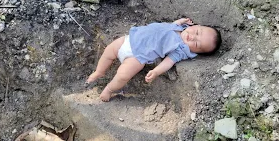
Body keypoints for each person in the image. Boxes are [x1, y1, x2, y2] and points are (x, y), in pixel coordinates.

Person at [86, 18, 222, 101]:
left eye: (197, 44)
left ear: (194, 51)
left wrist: (156, 71)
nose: (192, 37)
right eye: (197, 32)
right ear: (194, 26)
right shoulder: (179, 27)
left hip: (137, 57)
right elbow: (167, 28)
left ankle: (109, 90)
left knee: (122, 75)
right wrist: (180, 21)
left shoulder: (180, 50)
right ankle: (99, 71)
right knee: (108, 51)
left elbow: (169, 61)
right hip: (129, 39)